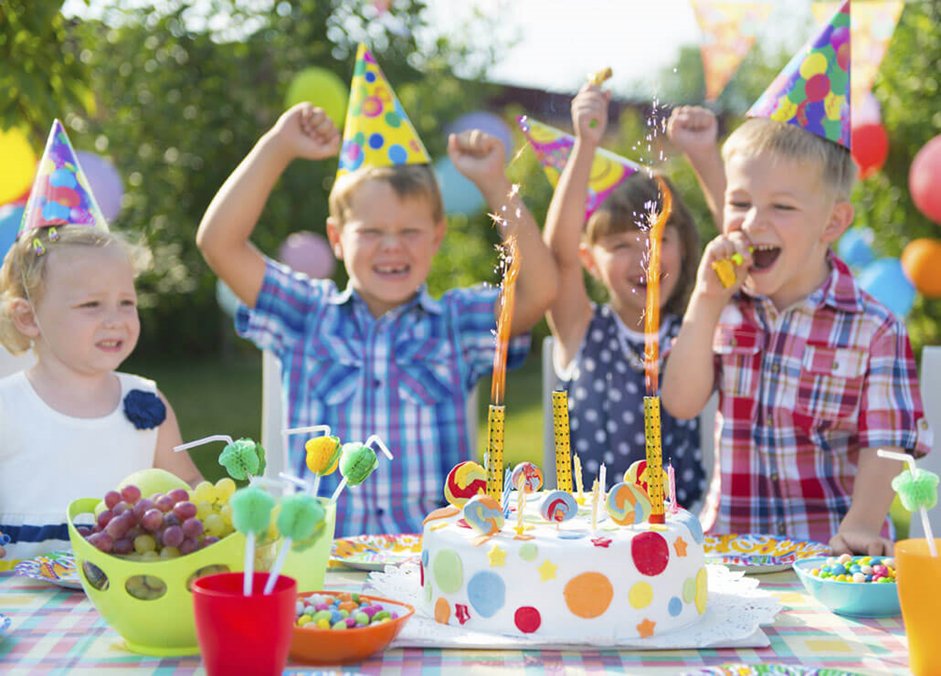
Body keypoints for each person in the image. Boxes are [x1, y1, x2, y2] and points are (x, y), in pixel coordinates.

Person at [197, 48, 557, 537]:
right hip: (324, 564)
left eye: (410, 231)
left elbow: (540, 288)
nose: (392, 247)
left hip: (430, 563)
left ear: (436, 238)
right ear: (336, 238)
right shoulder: (306, 314)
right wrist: (277, 145)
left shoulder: (458, 324)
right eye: (371, 232)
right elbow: (218, 243)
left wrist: (497, 185)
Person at [662, 8, 931, 554]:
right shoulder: (727, 304)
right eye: (739, 203)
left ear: (832, 223)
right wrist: (704, 301)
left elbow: (886, 445)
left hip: (831, 553)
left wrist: (860, 524)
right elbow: (681, 402)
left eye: (781, 206)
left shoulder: (873, 327)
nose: (752, 223)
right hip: (730, 553)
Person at [539, 83, 705, 506]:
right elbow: (556, 255)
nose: (645, 256)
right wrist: (585, 146)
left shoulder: (697, 330)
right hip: (586, 540)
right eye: (620, 246)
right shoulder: (581, 327)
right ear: (589, 260)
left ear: (684, 247)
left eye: (659, 238)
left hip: (677, 541)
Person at [0, 225, 200, 567]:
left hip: (126, 592)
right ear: (28, 317)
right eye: (91, 304)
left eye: (126, 302)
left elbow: (188, 482)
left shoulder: (147, 401)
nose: (115, 319)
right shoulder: (8, 405)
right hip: (21, 599)